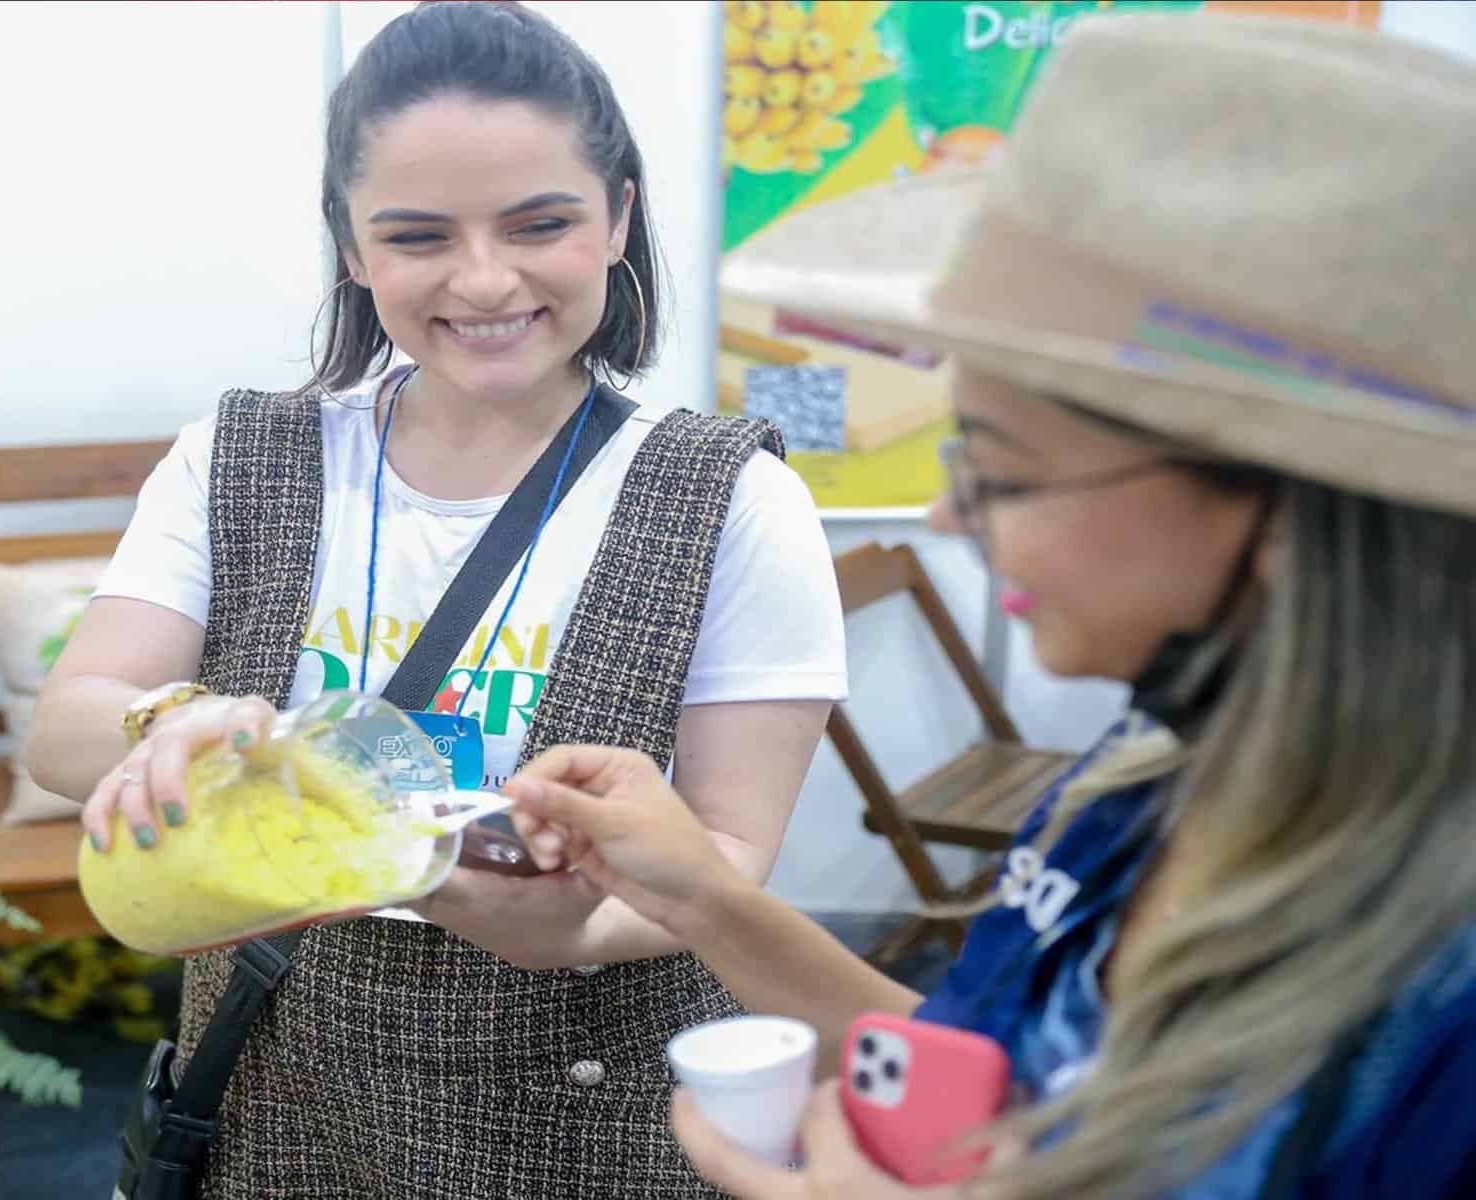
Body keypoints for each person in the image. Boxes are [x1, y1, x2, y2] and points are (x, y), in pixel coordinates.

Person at [502, 13, 1476, 1200]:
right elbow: (978, 1073)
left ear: (1287, 517)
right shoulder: (1133, 783)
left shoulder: (1438, 996)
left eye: (1002, 473)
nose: (951, 519)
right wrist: (700, 897)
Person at [26, 3, 846, 1194]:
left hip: (589, 1109)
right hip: (275, 1097)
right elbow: (66, 726)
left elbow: (727, 852)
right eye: (417, 236)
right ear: (351, 248)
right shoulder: (241, 458)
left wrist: (568, 926)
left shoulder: (730, 498)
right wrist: (176, 726)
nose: (483, 279)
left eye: (539, 224)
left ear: (617, 217)